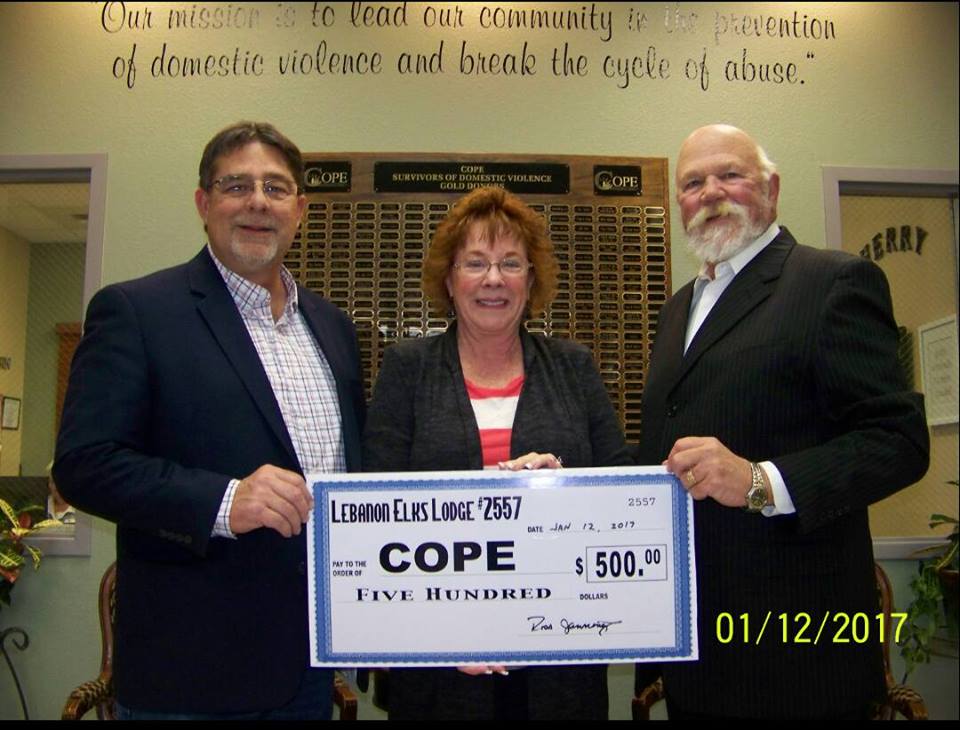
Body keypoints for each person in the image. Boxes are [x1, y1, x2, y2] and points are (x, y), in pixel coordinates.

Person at [53, 121, 365, 720]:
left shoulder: (333, 328)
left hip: (308, 670)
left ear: (300, 209)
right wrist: (224, 502)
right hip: (189, 676)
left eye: (276, 188)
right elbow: (84, 464)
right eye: (235, 185)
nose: (257, 202)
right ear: (203, 203)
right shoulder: (138, 311)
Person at [637, 124, 930, 719]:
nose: (711, 192)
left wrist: (759, 480)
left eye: (730, 175)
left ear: (771, 188)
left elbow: (897, 441)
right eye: (693, 183)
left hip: (799, 652)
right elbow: (665, 453)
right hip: (697, 647)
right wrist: (561, 475)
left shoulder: (832, 282)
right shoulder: (676, 312)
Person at [363, 186, 632, 720]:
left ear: (531, 281)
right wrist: (441, 633)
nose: (493, 279)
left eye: (511, 263)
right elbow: (374, 508)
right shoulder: (406, 369)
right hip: (438, 666)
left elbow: (623, 492)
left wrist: (564, 483)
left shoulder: (574, 367)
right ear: (449, 278)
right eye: (476, 263)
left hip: (561, 662)